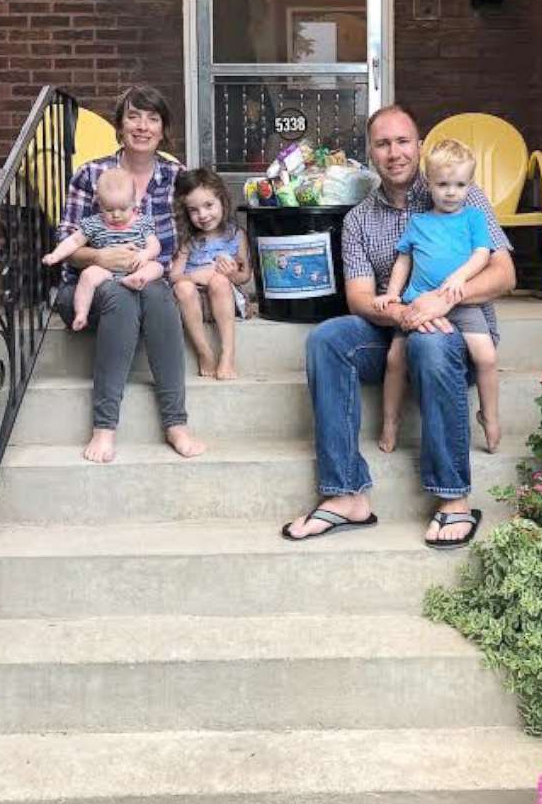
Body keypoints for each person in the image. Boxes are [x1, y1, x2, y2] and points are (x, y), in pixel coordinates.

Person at [282, 103, 514, 550]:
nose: (395, 152)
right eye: (383, 143)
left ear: (419, 145)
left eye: (403, 141)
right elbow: (360, 298)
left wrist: (440, 302)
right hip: (392, 329)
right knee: (328, 340)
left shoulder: (462, 192)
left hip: (460, 332)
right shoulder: (358, 220)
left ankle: (453, 499)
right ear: (370, 153)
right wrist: (409, 315)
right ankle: (345, 493)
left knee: (429, 346)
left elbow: (504, 274)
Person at [54, 84, 204, 463]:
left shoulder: (176, 176)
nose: (142, 126)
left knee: (157, 293)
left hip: (150, 283)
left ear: (163, 129)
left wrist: (227, 270)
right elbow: (66, 246)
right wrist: (102, 257)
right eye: (133, 116)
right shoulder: (90, 173)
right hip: (87, 289)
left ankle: (176, 424)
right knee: (122, 298)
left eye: (153, 118)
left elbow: (202, 225)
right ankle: (105, 428)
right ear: (119, 125)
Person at [375, 138, 500, 456]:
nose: (450, 192)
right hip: (418, 301)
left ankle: (490, 416)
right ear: (428, 183)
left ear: (469, 185)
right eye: (443, 184)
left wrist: (460, 277)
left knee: (486, 356)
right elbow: (404, 260)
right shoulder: (419, 222)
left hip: (462, 302)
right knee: (394, 360)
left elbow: (483, 254)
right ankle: (390, 420)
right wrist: (392, 295)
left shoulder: (473, 217)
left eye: (459, 185)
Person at [43, 167, 163, 330]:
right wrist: (55, 255)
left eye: (123, 209)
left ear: (133, 202)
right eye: (109, 209)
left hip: (135, 267)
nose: (116, 215)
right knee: (87, 275)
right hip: (105, 271)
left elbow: (155, 244)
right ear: (99, 204)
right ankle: (81, 314)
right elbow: (73, 241)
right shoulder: (94, 224)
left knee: (156, 267)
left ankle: (137, 279)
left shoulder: (142, 222)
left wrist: (145, 254)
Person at [171, 167, 251, 381]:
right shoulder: (188, 240)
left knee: (218, 281)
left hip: (226, 300)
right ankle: (204, 351)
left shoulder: (236, 235)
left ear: (222, 202)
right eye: (194, 210)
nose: (203, 215)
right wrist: (197, 275)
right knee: (183, 286)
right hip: (193, 304)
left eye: (209, 205)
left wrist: (230, 274)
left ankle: (227, 353)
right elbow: (174, 277)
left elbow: (244, 277)